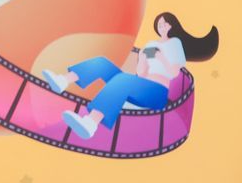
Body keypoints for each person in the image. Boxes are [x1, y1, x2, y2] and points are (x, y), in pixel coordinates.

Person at [42, 12, 219, 139]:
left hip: (157, 93)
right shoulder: (151, 44)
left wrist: (162, 58)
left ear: (172, 26)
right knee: (102, 63)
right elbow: (141, 73)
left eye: (165, 23)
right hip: (140, 87)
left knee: (123, 79)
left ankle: (90, 123)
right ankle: (63, 80)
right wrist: (142, 58)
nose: (162, 26)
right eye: (159, 23)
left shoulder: (175, 44)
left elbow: (173, 72)